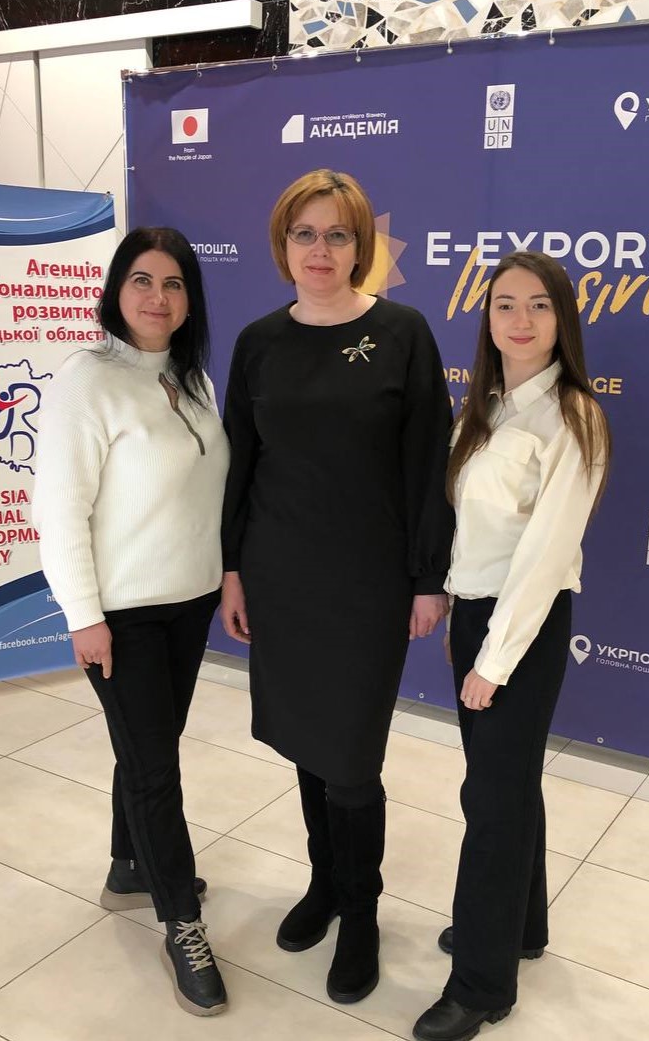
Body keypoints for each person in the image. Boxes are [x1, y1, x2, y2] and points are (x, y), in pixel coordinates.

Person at [220, 169, 454, 1004]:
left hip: (368, 583)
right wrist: (231, 567)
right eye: (304, 234)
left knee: (352, 760)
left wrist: (428, 578)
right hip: (280, 576)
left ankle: (360, 910)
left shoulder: (401, 332)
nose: (319, 250)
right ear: (282, 244)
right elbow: (239, 463)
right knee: (306, 740)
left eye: (337, 234)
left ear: (363, 246)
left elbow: (428, 463)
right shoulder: (257, 341)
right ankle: (324, 881)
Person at [412, 251, 611, 1041]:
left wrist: (493, 660)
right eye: (503, 304)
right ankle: (519, 928)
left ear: (562, 318)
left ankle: (481, 983)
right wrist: (459, 621)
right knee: (504, 784)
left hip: (521, 625)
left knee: (491, 805)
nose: (519, 320)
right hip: (477, 615)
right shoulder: (486, 407)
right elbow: (470, 528)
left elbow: (543, 555)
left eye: (537, 304)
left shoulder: (572, 416)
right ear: (486, 317)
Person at [32, 227, 230, 1017]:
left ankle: (129, 864)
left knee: (149, 747)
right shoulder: (86, 379)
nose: (157, 297)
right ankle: (181, 922)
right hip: (122, 616)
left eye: (173, 283)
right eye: (142, 280)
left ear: (190, 299)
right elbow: (58, 510)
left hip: (188, 604)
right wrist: (84, 616)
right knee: (155, 770)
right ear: (117, 289)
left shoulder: (191, 375)